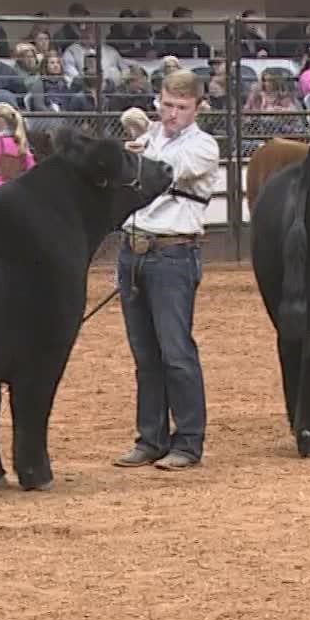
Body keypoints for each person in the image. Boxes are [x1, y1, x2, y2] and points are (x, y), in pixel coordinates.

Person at [113, 68, 217, 471]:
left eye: (182, 107)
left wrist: (133, 155)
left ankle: (189, 441)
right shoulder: (149, 139)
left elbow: (160, 170)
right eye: (167, 105)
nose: (172, 114)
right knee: (145, 353)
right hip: (134, 250)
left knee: (176, 351)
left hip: (173, 253)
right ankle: (150, 437)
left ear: (197, 108)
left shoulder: (204, 147)